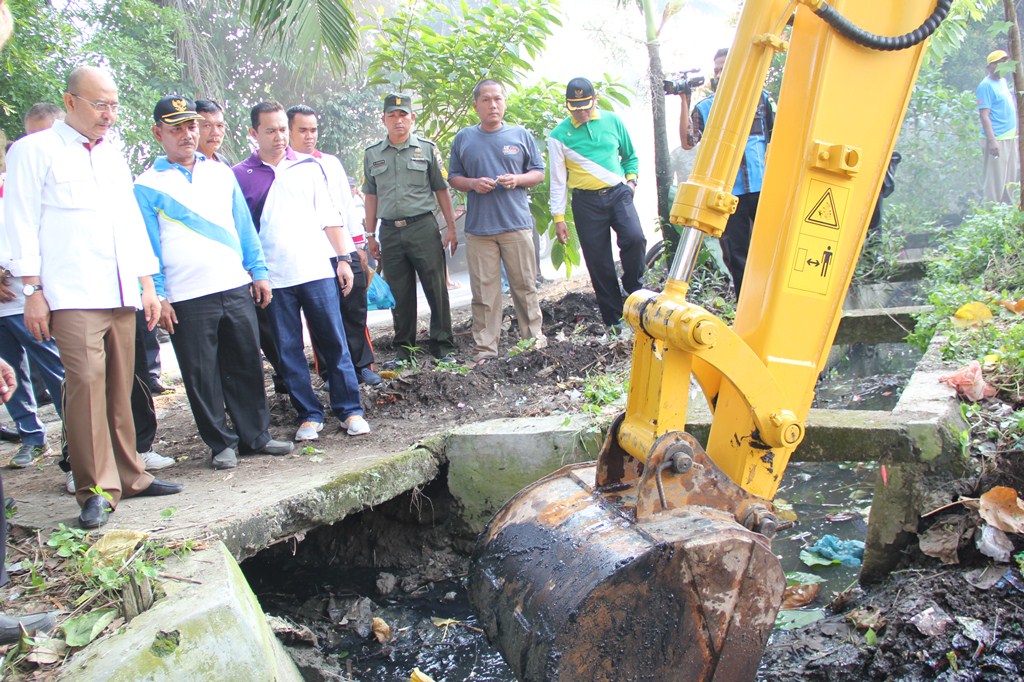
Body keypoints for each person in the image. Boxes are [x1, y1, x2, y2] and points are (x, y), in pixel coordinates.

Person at [4, 66, 184, 528]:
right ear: (70, 102)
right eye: (99, 104)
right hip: (69, 293)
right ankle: (96, 489)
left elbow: (129, 223)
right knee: (85, 387)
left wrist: (147, 286)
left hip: (121, 290)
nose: (109, 114)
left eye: (114, 104)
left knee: (123, 387)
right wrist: (33, 290)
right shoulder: (33, 151)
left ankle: (132, 474)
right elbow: (20, 222)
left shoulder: (112, 156)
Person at [134, 95, 294, 470]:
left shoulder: (221, 173)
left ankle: (257, 436)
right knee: (200, 374)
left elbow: (243, 227)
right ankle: (221, 443)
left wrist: (259, 272)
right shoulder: (146, 185)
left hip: (233, 285)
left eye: (191, 126)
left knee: (246, 363)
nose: (188, 135)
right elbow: (146, 246)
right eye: (176, 129)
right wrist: (159, 295)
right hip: (186, 297)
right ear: (159, 133)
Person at [234, 101, 370, 442]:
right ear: (254, 133)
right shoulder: (240, 176)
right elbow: (243, 231)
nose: (280, 136)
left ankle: (350, 410)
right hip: (274, 278)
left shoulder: (309, 167)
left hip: (316, 271)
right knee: (288, 349)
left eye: (283, 129)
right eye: (271, 130)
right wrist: (254, 273)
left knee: (334, 343)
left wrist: (342, 258)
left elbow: (329, 215)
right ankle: (308, 415)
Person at [448, 79, 546, 365]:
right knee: (484, 293)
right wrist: (473, 183)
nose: (493, 105)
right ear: (476, 104)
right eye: (487, 99)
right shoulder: (464, 138)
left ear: (504, 102)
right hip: (479, 230)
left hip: (516, 224)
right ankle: (486, 350)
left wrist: (517, 180)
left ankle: (534, 342)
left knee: (525, 286)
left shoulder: (520, 135)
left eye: (498, 99)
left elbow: (538, 172)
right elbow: (454, 177)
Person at [287, 104, 381, 386]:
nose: (309, 136)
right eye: (302, 130)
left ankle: (362, 365)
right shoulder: (284, 168)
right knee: (321, 316)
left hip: (343, 249)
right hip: (310, 255)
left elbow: (346, 207)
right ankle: (330, 372)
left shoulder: (330, 163)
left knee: (354, 308)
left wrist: (358, 247)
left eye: (313, 130)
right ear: (289, 131)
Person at [363, 93, 459, 364]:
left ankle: (443, 347)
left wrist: (450, 227)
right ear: (383, 120)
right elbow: (371, 196)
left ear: (412, 118)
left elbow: (441, 189)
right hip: (390, 232)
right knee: (400, 292)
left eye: (403, 115)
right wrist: (370, 236)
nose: (398, 121)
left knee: (436, 288)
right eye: (392, 116)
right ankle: (405, 350)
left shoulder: (427, 149)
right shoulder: (372, 154)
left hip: (422, 228)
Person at [549, 77, 645, 331]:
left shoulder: (613, 120)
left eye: (585, 106)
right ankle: (614, 321)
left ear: (595, 100)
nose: (581, 112)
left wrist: (631, 183)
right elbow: (558, 181)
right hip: (585, 202)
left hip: (618, 194)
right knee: (598, 261)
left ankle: (635, 290)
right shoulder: (559, 136)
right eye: (575, 107)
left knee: (635, 239)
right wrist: (559, 218)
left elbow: (630, 156)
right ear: (568, 106)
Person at [678, 48, 774, 298]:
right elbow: (688, 141)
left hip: (763, 188)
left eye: (725, 68)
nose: (720, 74)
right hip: (727, 194)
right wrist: (684, 99)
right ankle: (746, 307)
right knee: (736, 256)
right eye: (717, 69)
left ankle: (770, 303)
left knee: (771, 250)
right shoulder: (705, 108)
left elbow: (777, 139)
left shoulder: (762, 100)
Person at [977, 49, 1019, 204]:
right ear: (990, 66)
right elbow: (984, 115)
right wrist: (992, 140)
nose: (1002, 66)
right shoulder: (985, 86)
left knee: (1010, 180)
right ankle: (990, 212)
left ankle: (1007, 216)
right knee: (995, 181)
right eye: (999, 63)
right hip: (997, 139)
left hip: (1010, 137)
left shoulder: (1002, 82)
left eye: (1004, 63)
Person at [195, 99, 232, 165]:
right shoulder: (184, 164)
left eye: (220, 125)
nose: (215, 132)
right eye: (207, 125)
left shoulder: (222, 163)